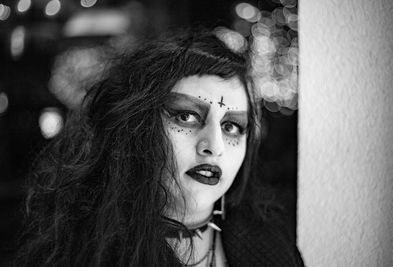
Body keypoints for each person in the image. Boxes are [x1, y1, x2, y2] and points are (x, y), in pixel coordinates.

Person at [13, 29, 304, 267]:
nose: (214, 147)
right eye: (186, 117)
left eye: (232, 127)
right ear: (136, 128)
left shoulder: (272, 240)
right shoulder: (82, 253)